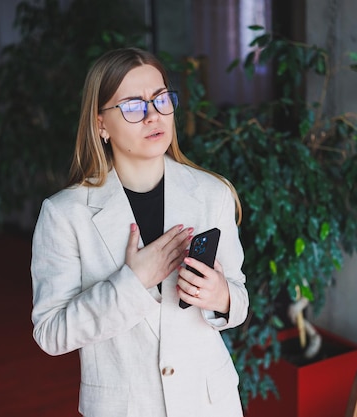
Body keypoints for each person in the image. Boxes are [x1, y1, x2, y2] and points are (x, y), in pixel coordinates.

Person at [30, 47, 249, 417]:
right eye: (133, 106)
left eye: (161, 99)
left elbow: (239, 300)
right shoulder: (64, 214)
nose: (153, 115)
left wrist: (222, 296)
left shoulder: (213, 194)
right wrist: (132, 283)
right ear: (101, 124)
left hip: (210, 404)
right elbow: (51, 333)